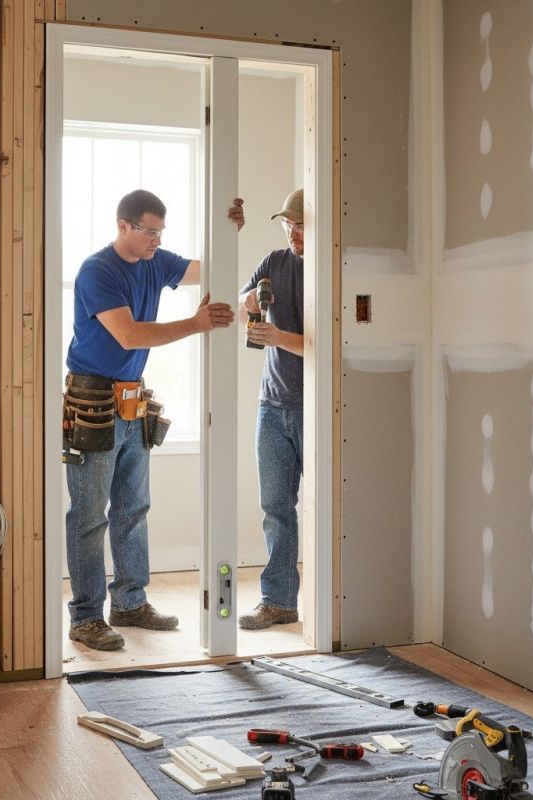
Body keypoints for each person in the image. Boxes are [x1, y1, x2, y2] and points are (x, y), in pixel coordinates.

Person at [65, 189, 245, 651]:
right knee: (89, 515)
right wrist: (197, 323)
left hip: (131, 401)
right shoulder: (97, 271)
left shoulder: (155, 261)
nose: (156, 241)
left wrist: (231, 231)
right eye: (149, 231)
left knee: (132, 509)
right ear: (123, 225)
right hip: (93, 401)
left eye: (161, 233)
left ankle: (129, 602)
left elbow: (208, 269)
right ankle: (86, 617)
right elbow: (128, 336)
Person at [238, 188, 305, 631]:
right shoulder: (274, 263)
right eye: (288, 224)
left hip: (314, 406)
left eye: (300, 225)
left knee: (328, 507)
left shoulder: (329, 270)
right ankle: (279, 601)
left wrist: (279, 338)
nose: (293, 232)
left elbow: (331, 347)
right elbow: (244, 296)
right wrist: (248, 301)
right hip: (272, 403)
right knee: (275, 505)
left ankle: (329, 601)